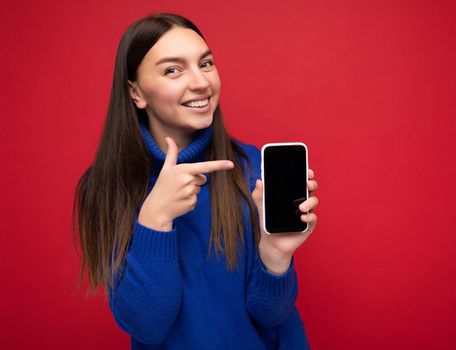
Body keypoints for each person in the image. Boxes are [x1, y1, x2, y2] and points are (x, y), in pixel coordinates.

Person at [72, 12, 319, 349]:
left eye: (205, 64)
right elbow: (148, 325)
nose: (202, 82)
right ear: (136, 92)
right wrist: (155, 219)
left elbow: (271, 316)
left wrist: (275, 254)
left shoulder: (254, 171)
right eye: (173, 70)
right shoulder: (105, 189)